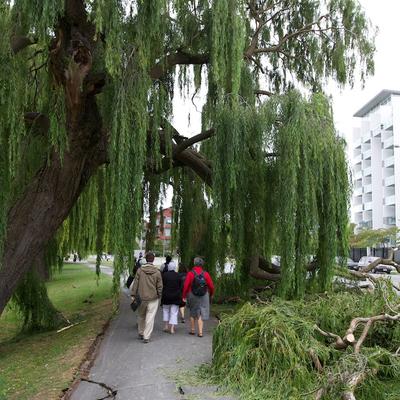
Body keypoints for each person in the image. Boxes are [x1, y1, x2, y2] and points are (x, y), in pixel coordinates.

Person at [131, 252, 163, 343]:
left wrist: (133, 294)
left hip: (141, 297)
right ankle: (146, 336)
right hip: (153, 298)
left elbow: (135, 284)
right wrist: (159, 295)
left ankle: (141, 332)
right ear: (153, 259)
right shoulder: (157, 272)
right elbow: (160, 286)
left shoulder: (140, 270)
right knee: (150, 317)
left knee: (141, 316)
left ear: (146, 259)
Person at [182, 257, 215, 337]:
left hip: (192, 294)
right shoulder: (206, 274)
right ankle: (200, 332)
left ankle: (192, 330)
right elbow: (211, 286)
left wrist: (184, 295)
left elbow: (186, 285)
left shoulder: (190, 273)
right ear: (202, 264)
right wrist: (211, 294)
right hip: (204, 295)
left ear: (194, 263)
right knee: (201, 312)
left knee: (193, 311)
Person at [161, 261, 181, 334]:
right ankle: (172, 328)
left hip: (166, 295)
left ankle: (166, 326)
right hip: (175, 296)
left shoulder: (164, 275)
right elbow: (180, 286)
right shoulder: (178, 275)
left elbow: (162, 285)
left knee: (165, 310)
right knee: (174, 312)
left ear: (168, 267)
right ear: (175, 268)